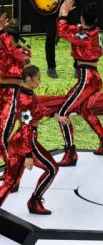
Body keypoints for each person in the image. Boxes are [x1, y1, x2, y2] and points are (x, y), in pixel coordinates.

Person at [0, 65, 67, 214]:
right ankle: (34, 201)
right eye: (38, 79)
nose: (40, 82)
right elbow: (26, 127)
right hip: (27, 141)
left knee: (10, 182)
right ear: (29, 79)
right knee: (52, 169)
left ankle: (34, 201)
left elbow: (40, 109)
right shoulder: (24, 99)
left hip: (18, 141)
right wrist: (28, 155)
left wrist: (58, 117)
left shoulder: (27, 94)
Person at [55, 0, 103, 166]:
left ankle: (70, 152)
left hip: (87, 77)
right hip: (91, 76)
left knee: (62, 112)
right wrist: (62, 15)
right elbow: (66, 30)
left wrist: (63, 14)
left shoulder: (84, 35)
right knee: (85, 110)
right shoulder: (91, 32)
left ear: (81, 18)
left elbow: (62, 32)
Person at [0, 12, 31, 180]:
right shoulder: (4, 50)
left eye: (6, 38)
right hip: (2, 92)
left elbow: (18, 56)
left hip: (12, 95)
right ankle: (10, 171)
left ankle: (12, 175)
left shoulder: (23, 51)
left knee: (2, 136)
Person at [44, 14, 59, 78]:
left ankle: (78, 66)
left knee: (76, 33)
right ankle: (51, 67)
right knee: (50, 37)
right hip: (50, 10)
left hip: (66, 6)